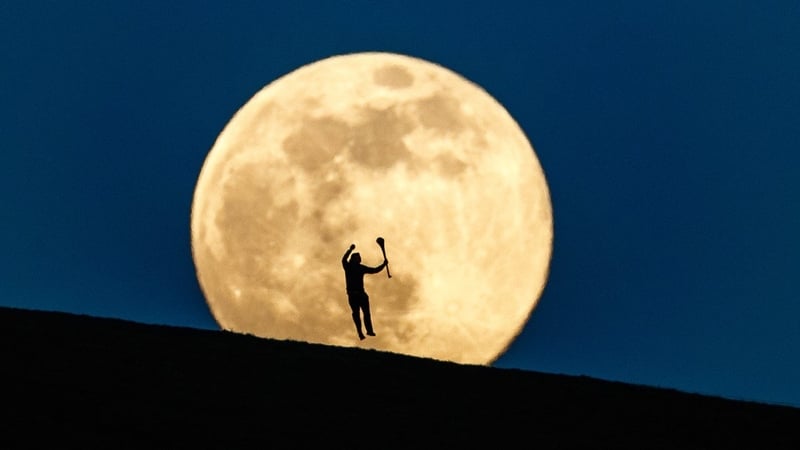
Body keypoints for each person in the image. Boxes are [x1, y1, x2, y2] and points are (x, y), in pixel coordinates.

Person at [341, 243, 388, 340]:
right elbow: (343, 259)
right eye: (358, 257)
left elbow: (374, 270)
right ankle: (360, 332)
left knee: (366, 313)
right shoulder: (348, 266)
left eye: (359, 257)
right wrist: (350, 250)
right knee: (356, 314)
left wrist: (383, 265)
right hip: (353, 294)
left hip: (361, 294)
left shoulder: (361, 267)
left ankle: (369, 330)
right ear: (353, 258)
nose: (359, 258)